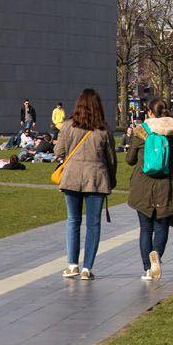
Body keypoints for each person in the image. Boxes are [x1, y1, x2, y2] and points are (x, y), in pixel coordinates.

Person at [55, 88, 117, 281]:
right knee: (93, 224)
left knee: (73, 221)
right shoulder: (103, 130)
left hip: (72, 177)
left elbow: (59, 151)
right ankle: (86, 268)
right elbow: (111, 159)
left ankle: (72, 264)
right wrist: (112, 180)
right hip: (97, 179)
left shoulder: (67, 126)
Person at [126, 99, 173, 282]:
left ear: (150, 113)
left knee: (145, 229)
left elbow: (130, 160)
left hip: (142, 186)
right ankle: (157, 257)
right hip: (165, 185)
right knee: (161, 227)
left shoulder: (141, 132)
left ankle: (147, 268)